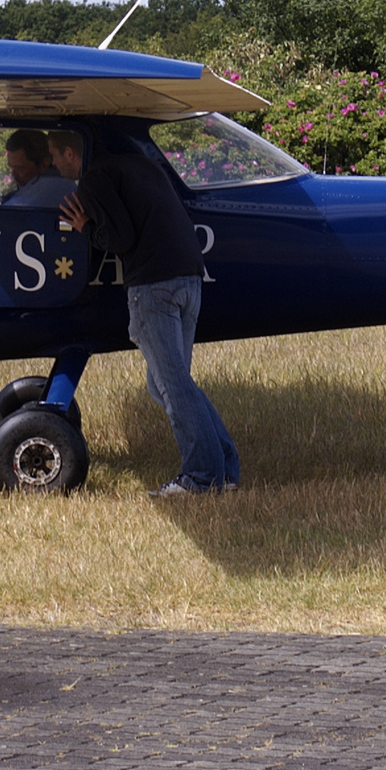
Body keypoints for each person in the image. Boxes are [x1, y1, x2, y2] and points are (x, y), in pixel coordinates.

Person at [51, 129, 239, 497]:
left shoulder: (93, 179)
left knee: (173, 384)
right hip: (189, 280)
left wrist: (85, 227)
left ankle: (201, 476)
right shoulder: (143, 166)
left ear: (71, 152)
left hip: (154, 287)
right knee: (167, 383)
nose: (54, 164)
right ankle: (225, 470)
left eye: (55, 156)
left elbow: (121, 240)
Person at [1, 129, 77, 207]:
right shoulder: (69, 185)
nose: (13, 175)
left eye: (20, 169)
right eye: (11, 167)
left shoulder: (51, 187)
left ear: (44, 164)